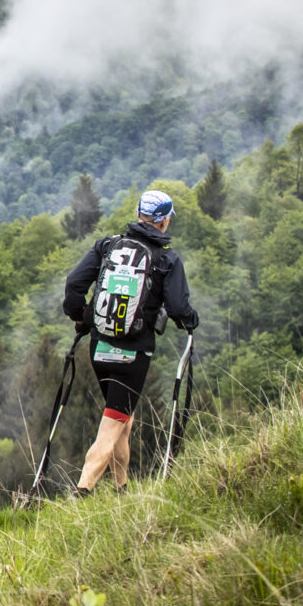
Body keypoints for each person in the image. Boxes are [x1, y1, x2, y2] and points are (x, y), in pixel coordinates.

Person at [60, 189, 199, 493]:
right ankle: (83, 490)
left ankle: (121, 489)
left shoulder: (108, 247)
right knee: (113, 423)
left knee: (123, 417)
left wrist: (82, 316)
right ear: (163, 222)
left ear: (138, 214)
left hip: (99, 346)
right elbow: (178, 308)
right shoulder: (167, 260)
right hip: (133, 355)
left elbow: (74, 284)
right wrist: (190, 320)